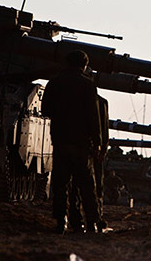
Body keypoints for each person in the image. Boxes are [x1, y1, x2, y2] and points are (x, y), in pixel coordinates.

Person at [42, 50, 102, 234]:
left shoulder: (54, 83)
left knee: (60, 184)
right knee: (86, 184)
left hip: (60, 139)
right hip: (81, 142)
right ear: (83, 65)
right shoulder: (88, 85)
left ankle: (61, 221)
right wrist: (98, 141)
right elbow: (94, 117)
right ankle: (91, 222)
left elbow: (45, 110)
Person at [68, 94, 109, 232]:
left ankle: (76, 222)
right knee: (94, 186)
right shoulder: (101, 102)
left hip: (75, 147)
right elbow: (104, 129)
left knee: (74, 187)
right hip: (92, 150)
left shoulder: (73, 99)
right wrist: (102, 147)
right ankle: (94, 219)